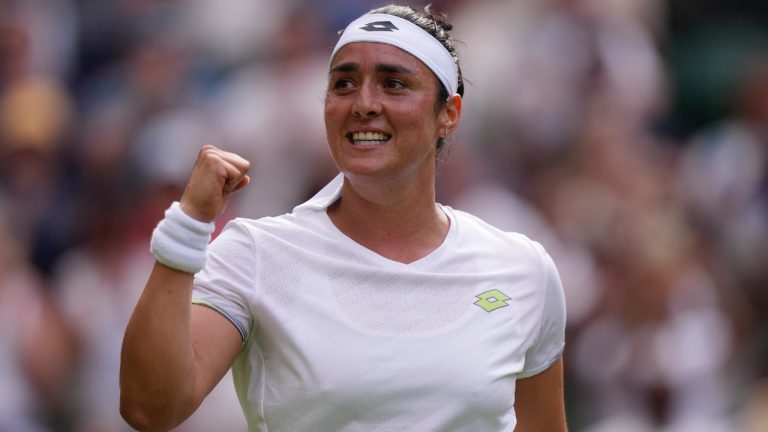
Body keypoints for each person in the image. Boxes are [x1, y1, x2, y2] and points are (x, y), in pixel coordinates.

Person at [119, 4, 568, 431]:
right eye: (345, 84)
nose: (364, 103)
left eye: (394, 84)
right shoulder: (255, 255)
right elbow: (150, 408)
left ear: (448, 114)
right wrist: (187, 229)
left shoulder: (522, 270)